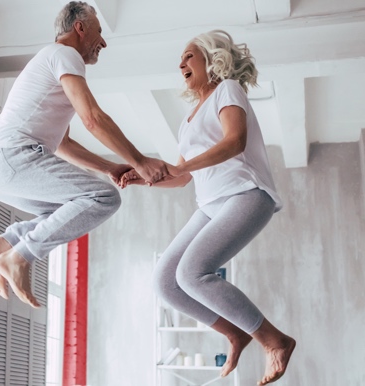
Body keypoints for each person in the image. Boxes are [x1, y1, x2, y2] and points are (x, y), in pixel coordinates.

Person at [122, 30, 296, 385]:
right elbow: (182, 177)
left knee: (191, 273)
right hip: (210, 204)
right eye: (181, 59)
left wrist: (181, 167)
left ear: (211, 58)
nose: (180, 64)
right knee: (165, 282)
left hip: (246, 194)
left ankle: (274, 340)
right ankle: (235, 332)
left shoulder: (227, 89)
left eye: (188, 56)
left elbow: (235, 141)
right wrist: (142, 178)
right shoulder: (187, 120)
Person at [0, 1, 169, 308]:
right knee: (104, 198)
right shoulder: (64, 54)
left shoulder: (51, 63)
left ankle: (6, 243)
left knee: (68, 211)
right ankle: (19, 257)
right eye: (99, 32)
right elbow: (92, 118)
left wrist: (108, 167)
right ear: (80, 28)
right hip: (11, 156)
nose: (103, 42)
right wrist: (139, 161)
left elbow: (63, 143)